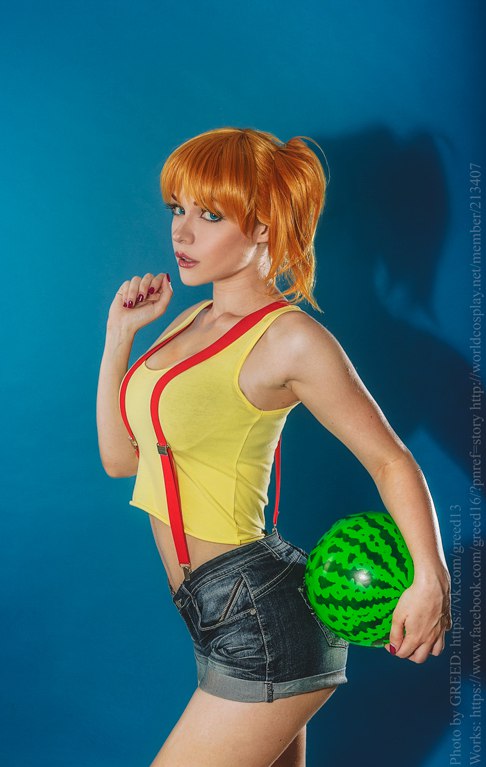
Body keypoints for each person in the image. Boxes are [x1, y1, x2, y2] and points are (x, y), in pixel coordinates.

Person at [96, 127, 452, 767]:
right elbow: (122, 461)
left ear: (263, 226)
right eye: (178, 209)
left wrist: (431, 579)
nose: (182, 233)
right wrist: (118, 337)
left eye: (210, 215)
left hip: (257, 618)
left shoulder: (291, 340)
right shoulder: (187, 321)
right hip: (213, 614)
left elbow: (389, 458)